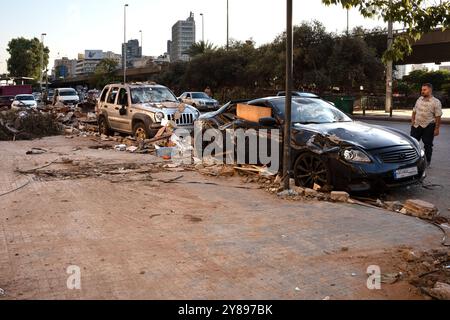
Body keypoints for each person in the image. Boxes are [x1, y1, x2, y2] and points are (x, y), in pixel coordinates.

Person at [411, 83, 443, 167]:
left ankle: (427, 161)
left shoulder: (436, 102)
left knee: (428, 145)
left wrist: (437, 129)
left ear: (430, 90)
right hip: (416, 125)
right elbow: (414, 111)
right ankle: (412, 160)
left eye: (424, 90)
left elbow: (438, 116)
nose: (422, 91)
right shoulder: (419, 99)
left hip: (428, 126)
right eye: (422, 90)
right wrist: (412, 121)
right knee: (412, 143)